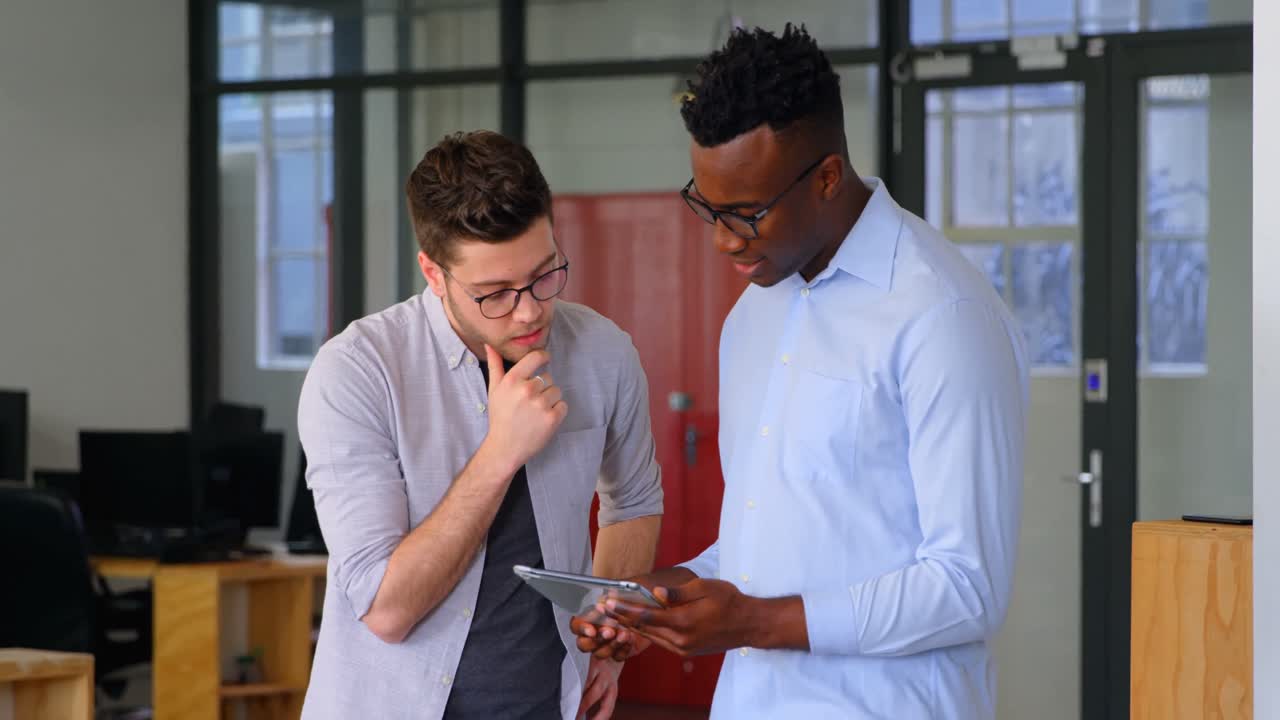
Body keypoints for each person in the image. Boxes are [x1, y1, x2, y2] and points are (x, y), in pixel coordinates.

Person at [572, 25, 1029, 720]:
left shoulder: (943, 314)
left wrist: (751, 621)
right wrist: (661, 600)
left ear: (826, 178)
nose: (725, 240)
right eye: (709, 208)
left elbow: (968, 587)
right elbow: (765, 546)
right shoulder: (754, 317)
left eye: (747, 213)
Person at [298, 130, 664, 720]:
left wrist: (608, 631)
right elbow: (386, 610)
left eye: (545, 274)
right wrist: (501, 452)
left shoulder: (603, 351)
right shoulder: (358, 371)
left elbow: (635, 501)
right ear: (433, 272)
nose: (529, 309)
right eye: (494, 293)